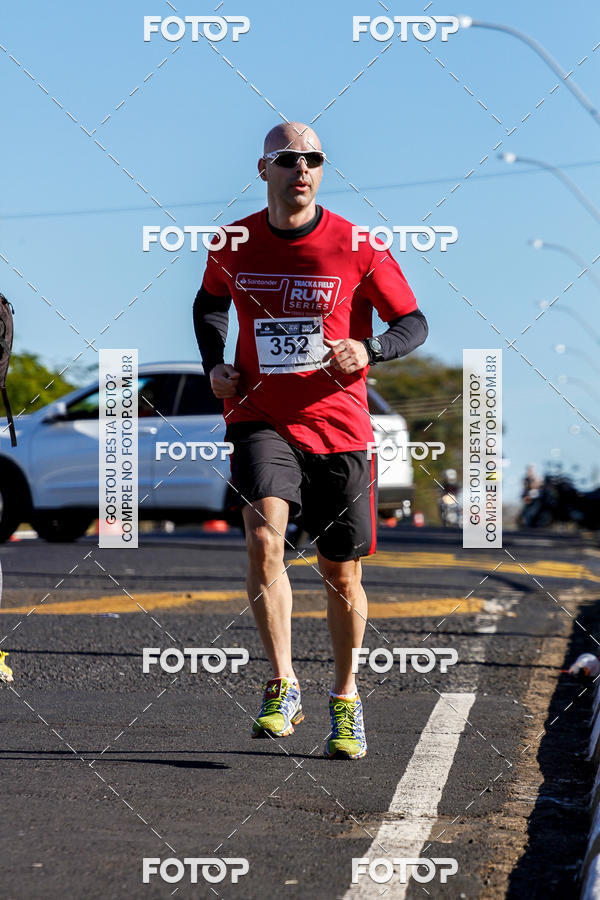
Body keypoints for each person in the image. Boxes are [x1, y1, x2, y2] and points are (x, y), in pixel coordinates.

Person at [193, 122, 428, 759]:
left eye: (314, 158)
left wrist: (370, 348)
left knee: (340, 572)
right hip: (259, 416)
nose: (302, 168)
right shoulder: (233, 241)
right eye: (288, 158)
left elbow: (412, 322)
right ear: (263, 168)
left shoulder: (358, 244)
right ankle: (282, 684)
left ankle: (346, 699)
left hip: (339, 425)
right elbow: (209, 304)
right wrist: (214, 363)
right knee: (263, 536)